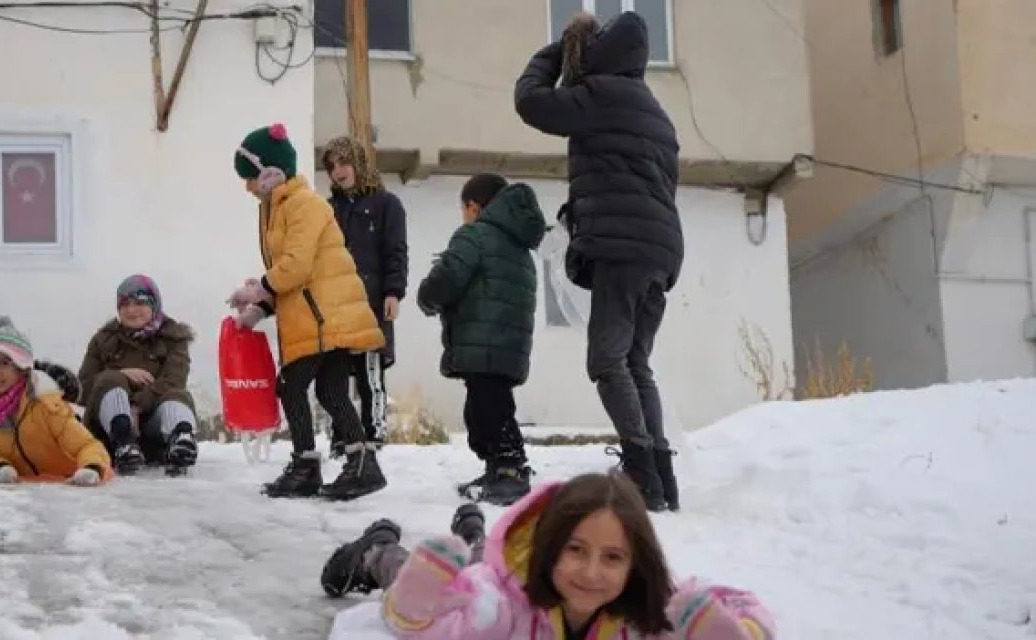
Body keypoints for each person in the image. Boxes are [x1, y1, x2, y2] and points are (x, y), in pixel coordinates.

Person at [514, 11, 684, 511]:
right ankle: (661, 475)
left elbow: (531, 102)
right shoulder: (654, 109)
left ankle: (640, 470)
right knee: (636, 361)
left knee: (607, 360)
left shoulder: (604, 95)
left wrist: (559, 48)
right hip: (660, 250)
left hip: (623, 247)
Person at [320, 472, 775, 639]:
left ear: (635, 564)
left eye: (613, 558)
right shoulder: (493, 604)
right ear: (550, 544)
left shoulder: (647, 619)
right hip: (489, 579)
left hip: (502, 565)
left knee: (477, 553)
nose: (592, 572)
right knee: (419, 569)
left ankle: (474, 527)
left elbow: (743, 606)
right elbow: (426, 630)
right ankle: (376, 548)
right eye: (575, 550)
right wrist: (412, 602)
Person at [227, 122, 388, 501]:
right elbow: (292, 274)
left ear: (269, 173)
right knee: (331, 390)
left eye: (250, 177)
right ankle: (361, 463)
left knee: (291, 385)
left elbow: (296, 266)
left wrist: (256, 290)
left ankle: (306, 464)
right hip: (316, 314)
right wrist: (262, 306)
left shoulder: (305, 205)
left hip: (323, 317)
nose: (247, 187)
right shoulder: (277, 208)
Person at [417, 173, 545, 506]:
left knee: (488, 410)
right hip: (507, 344)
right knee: (488, 407)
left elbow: (449, 277)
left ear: (474, 207)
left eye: (464, 209)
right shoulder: (520, 247)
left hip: (482, 338)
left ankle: (509, 468)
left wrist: (427, 297)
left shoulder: (474, 235)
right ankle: (499, 467)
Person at [321, 135, 409, 457]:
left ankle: (373, 436)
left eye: (344, 162)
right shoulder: (328, 210)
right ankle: (341, 436)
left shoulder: (387, 205)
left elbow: (395, 252)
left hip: (371, 301)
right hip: (334, 306)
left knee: (369, 372)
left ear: (358, 163)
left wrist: (393, 292)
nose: (338, 171)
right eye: (331, 166)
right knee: (335, 374)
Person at [77, 274, 199, 477]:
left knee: (178, 395)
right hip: (110, 435)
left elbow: (174, 380)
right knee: (110, 379)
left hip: (154, 429)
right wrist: (120, 375)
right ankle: (124, 444)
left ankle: (181, 440)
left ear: (154, 303)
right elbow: (82, 389)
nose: (131, 310)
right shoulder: (103, 339)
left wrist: (137, 405)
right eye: (125, 304)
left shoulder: (173, 338)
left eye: (140, 302)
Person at [0, 315, 111, 486]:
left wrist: (92, 468)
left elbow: (87, 445)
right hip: (24, 496)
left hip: (71, 489)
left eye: (4, 363)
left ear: (22, 368)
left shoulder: (47, 406)